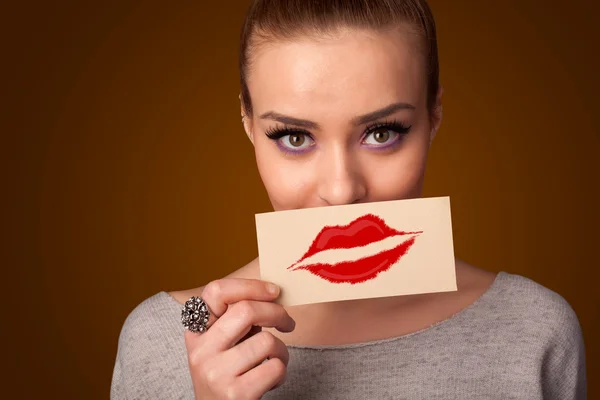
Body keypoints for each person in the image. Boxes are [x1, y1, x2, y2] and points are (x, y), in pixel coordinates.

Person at [110, 0, 587, 399]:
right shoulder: (165, 340)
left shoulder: (535, 330)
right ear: (248, 126)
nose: (341, 191)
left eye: (382, 132)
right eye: (295, 137)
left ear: (434, 115)